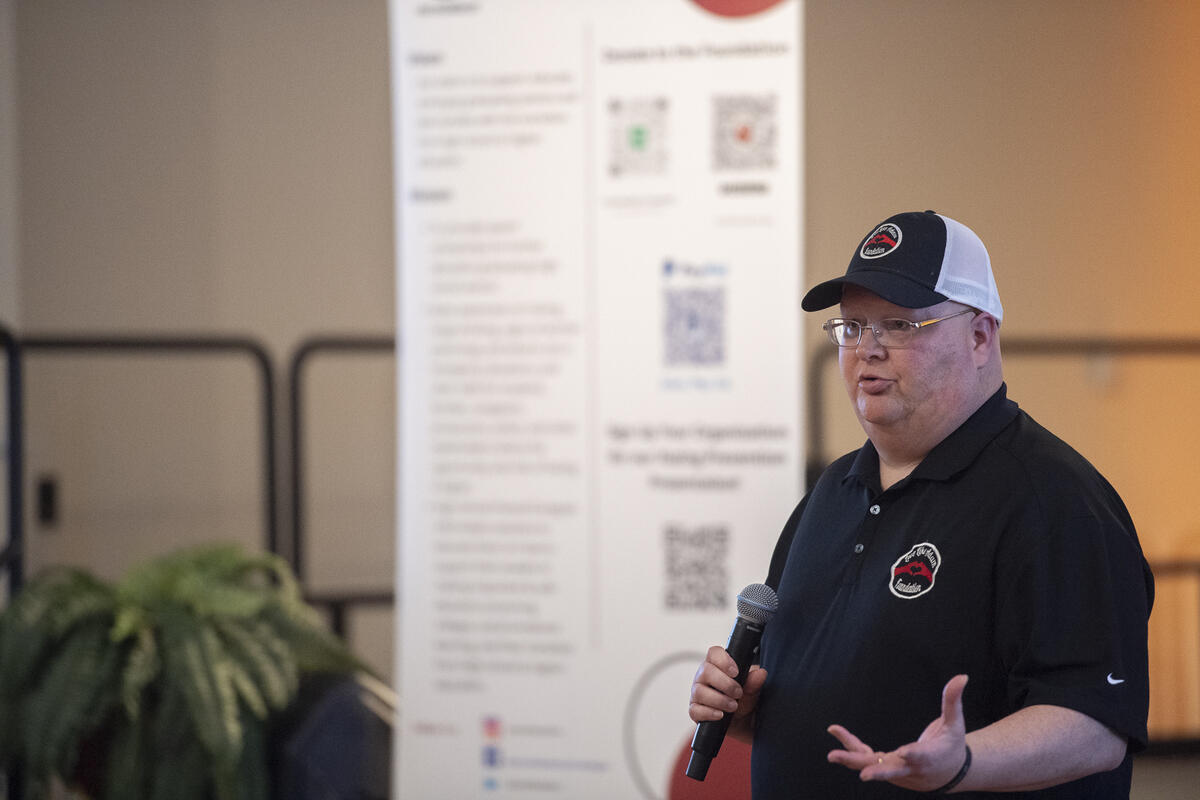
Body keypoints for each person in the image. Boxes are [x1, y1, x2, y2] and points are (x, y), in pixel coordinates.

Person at [688, 210, 1153, 798]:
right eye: (852, 328)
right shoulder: (831, 494)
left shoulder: (1057, 504)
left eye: (900, 326)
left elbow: (1095, 725)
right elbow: (821, 690)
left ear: (981, 336)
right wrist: (752, 708)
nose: (868, 350)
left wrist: (963, 763)